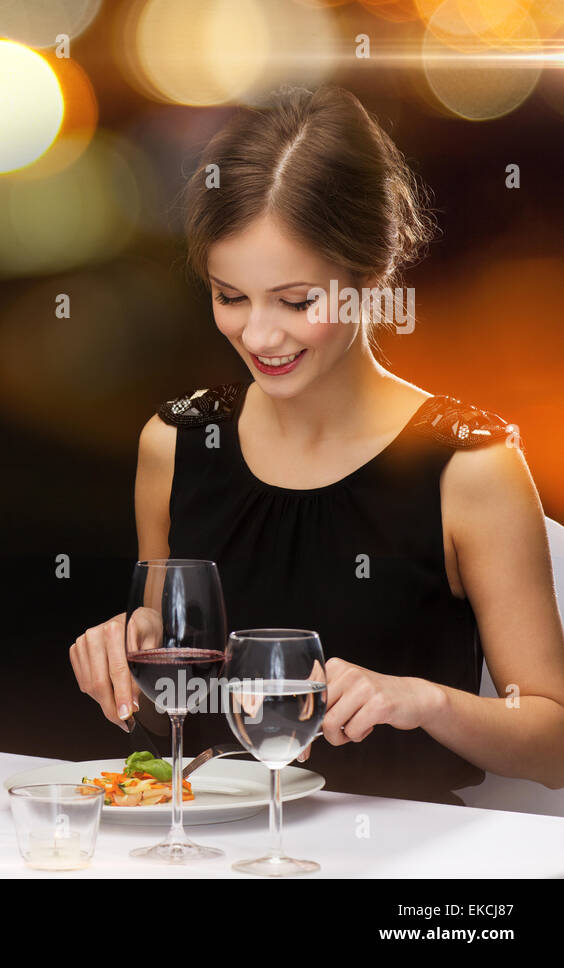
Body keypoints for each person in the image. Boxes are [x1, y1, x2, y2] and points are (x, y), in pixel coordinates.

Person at [69, 86, 564, 804]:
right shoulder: (174, 447)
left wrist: (423, 701)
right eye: (229, 297)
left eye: (298, 301)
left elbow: (554, 744)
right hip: (212, 847)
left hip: (404, 859)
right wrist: (123, 654)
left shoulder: (469, 468)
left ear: (371, 270)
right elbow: (165, 721)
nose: (260, 336)